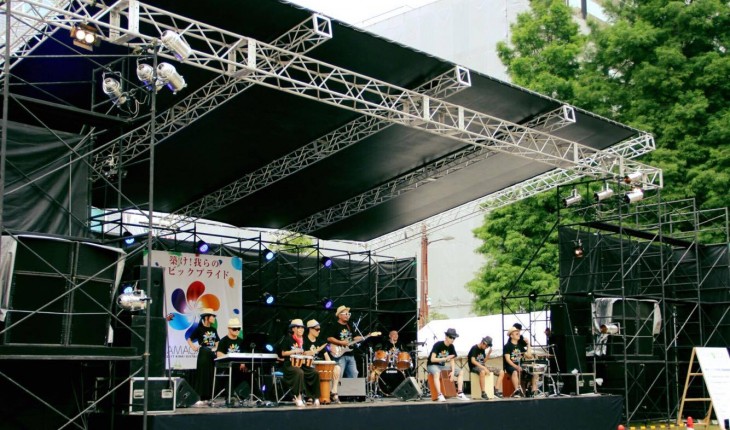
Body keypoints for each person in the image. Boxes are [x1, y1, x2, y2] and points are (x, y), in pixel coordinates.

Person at [277, 318, 321, 407]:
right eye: (299, 327)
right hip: (290, 365)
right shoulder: (288, 339)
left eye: (302, 328)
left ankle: (314, 397)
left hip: (302, 364)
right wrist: (294, 351)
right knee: (299, 372)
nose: (301, 329)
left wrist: (308, 353)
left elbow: (304, 352)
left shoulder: (304, 340)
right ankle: (298, 397)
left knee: (314, 372)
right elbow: (283, 353)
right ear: (293, 329)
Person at [186, 308, 219, 406]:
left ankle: (208, 397)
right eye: (212, 316)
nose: (214, 318)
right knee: (202, 375)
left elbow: (217, 341)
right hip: (203, 353)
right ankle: (199, 396)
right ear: (206, 317)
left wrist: (216, 348)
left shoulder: (213, 329)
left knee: (210, 374)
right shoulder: (199, 329)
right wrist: (193, 347)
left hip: (212, 354)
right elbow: (189, 338)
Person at [303, 319, 341, 404]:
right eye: (317, 329)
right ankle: (311, 395)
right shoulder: (304, 341)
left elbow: (327, 357)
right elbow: (303, 354)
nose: (319, 331)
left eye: (319, 329)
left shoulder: (320, 341)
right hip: (309, 365)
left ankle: (333, 392)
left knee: (337, 368)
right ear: (310, 329)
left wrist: (332, 366)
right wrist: (313, 352)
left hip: (321, 366)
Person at [426, 328, 469, 402]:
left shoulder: (451, 347)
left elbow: (452, 360)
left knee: (461, 371)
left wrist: (452, 372)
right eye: (451, 337)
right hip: (431, 365)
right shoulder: (438, 344)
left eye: (454, 338)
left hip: (441, 366)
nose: (452, 339)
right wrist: (445, 358)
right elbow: (432, 359)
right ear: (446, 336)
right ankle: (439, 394)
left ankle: (460, 393)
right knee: (437, 373)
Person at [326, 305, 365, 379]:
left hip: (350, 354)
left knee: (354, 373)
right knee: (338, 375)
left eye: (349, 314)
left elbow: (354, 337)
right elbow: (329, 338)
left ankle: (351, 387)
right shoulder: (335, 325)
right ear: (339, 315)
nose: (348, 315)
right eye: (346, 314)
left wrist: (365, 337)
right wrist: (340, 342)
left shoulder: (349, 325)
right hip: (340, 355)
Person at [216, 317, 248, 397]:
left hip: (239, 367)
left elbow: (244, 354)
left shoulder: (241, 341)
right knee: (231, 372)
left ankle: (259, 397)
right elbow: (219, 354)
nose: (237, 331)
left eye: (238, 329)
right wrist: (230, 358)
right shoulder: (223, 341)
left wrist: (243, 362)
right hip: (228, 367)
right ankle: (230, 396)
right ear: (229, 329)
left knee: (251, 373)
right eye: (234, 329)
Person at [503, 325, 537, 398]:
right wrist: (516, 366)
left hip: (520, 366)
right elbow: (508, 359)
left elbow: (529, 356)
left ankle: (533, 390)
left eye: (518, 333)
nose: (518, 334)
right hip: (511, 366)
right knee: (515, 372)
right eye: (516, 333)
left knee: (534, 372)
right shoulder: (507, 346)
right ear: (511, 335)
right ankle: (517, 390)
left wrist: (528, 344)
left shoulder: (520, 346)